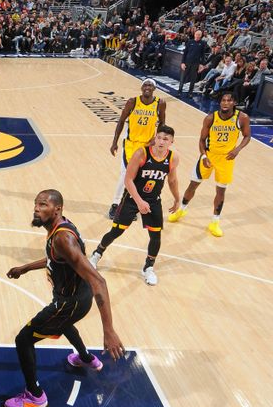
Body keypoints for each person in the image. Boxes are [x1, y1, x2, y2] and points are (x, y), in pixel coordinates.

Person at [4, 190, 125, 407]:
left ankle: (35, 396)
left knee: (23, 340)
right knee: (64, 324)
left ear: (57, 209)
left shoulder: (63, 238)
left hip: (70, 302)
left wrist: (109, 330)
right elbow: (55, 257)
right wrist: (25, 268)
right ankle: (86, 358)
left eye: (42, 205)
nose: (36, 209)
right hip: (77, 297)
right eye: (35, 204)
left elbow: (99, 281)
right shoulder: (60, 229)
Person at [91, 125, 181, 285]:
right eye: (159, 137)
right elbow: (128, 180)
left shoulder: (173, 158)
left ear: (172, 142)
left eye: (165, 139)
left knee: (156, 236)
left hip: (154, 201)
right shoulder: (141, 153)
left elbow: (172, 180)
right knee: (116, 231)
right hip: (132, 199)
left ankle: (148, 268)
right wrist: (139, 202)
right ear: (155, 137)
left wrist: (176, 198)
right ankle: (97, 254)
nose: (161, 141)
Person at [168, 92, 251, 237]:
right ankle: (182, 209)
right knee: (193, 185)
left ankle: (214, 222)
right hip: (209, 156)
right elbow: (201, 140)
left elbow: (247, 136)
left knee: (220, 191)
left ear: (234, 103)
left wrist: (237, 149)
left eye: (229, 100)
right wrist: (204, 156)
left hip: (227, 159)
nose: (225, 103)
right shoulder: (211, 118)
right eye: (223, 100)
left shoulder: (242, 118)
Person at [107, 78, 166, 219]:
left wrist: (157, 138)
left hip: (147, 146)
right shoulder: (132, 102)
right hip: (131, 145)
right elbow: (121, 121)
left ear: (154, 89)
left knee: (138, 177)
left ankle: (128, 205)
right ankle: (115, 205)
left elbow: (163, 123)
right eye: (145, 85)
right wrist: (114, 142)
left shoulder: (160, 103)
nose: (147, 87)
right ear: (141, 88)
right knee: (126, 175)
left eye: (150, 85)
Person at [178, 29, 208, 97]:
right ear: (194, 34)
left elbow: (202, 55)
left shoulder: (203, 43)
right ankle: (179, 91)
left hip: (195, 64)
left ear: (201, 36)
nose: (198, 36)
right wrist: (182, 62)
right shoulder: (189, 42)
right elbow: (185, 53)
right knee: (183, 78)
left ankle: (190, 93)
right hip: (187, 63)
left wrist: (201, 64)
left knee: (193, 79)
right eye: (197, 34)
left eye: (199, 35)